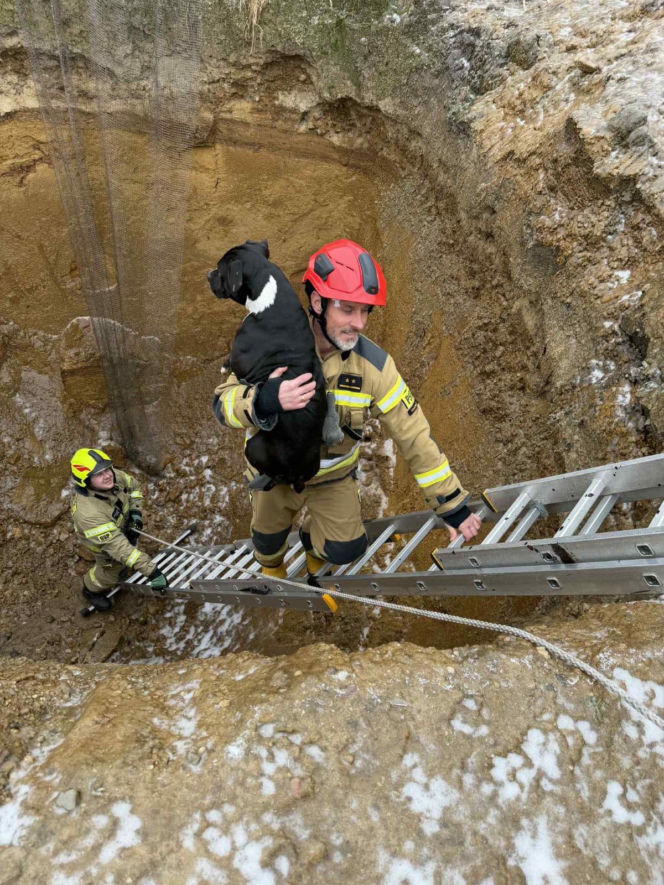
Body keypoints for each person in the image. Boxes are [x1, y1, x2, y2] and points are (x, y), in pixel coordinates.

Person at [213, 239, 482, 582]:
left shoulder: (375, 368)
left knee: (345, 549)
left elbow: (414, 434)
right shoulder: (269, 344)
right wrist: (264, 399)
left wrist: (452, 506)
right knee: (267, 540)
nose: (359, 323)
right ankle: (272, 566)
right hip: (274, 476)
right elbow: (221, 404)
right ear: (317, 302)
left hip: (332, 479)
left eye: (365, 310)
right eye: (347, 308)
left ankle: (312, 542)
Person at [70, 447, 168, 611]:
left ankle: (125, 566)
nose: (107, 475)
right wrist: (152, 572)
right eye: (99, 474)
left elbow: (134, 487)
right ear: (85, 480)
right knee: (110, 573)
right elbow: (120, 548)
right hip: (105, 546)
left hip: (119, 528)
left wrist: (135, 513)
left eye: (107, 469)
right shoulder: (88, 514)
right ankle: (90, 589)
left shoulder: (112, 478)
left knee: (128, 554)